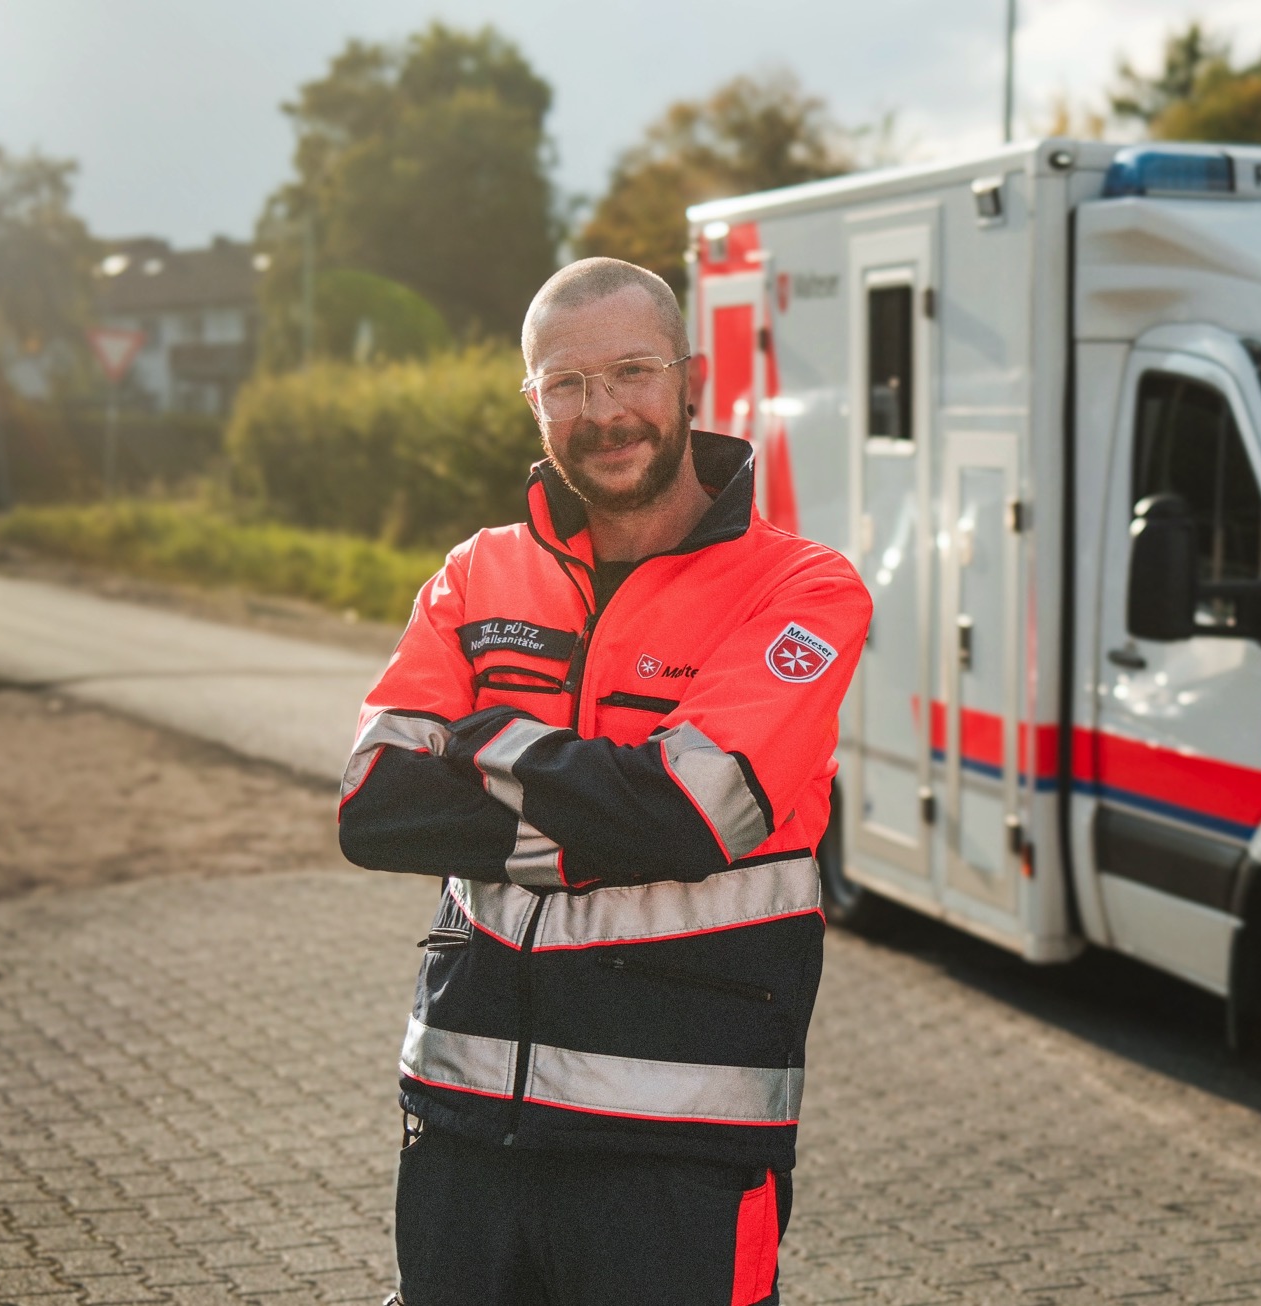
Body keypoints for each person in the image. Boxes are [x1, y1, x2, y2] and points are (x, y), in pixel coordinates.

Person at [337, 257, 870, 1305]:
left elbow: (688, 813)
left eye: (631, 371)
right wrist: (604, 806)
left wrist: (486, 743)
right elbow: (375, 806)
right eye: (567, 384)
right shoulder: (477, 572)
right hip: (461, 1125)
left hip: (677, 1146)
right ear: (533, 402)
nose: (604, 411)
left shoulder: (800, 588)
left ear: (689, 378)